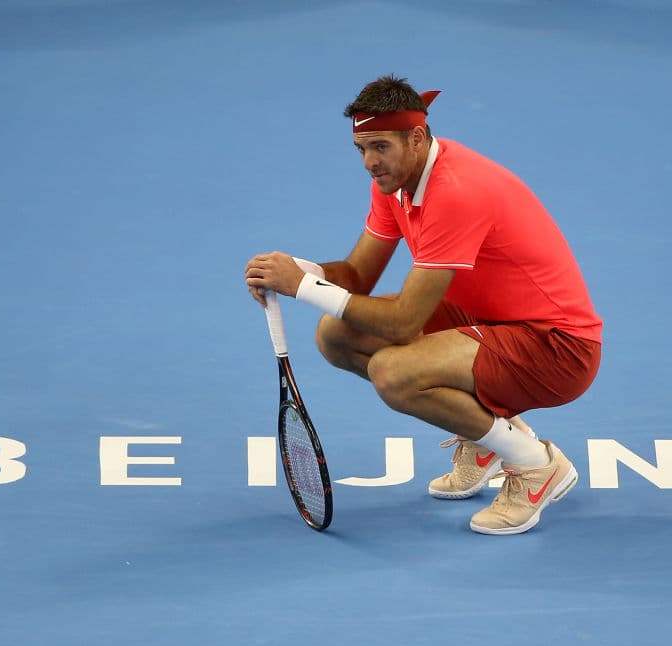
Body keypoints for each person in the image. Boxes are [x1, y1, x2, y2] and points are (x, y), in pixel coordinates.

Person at [244, 75, 602, 535]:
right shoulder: (394, 183)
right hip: (488, 319)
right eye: (361, 149)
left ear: (415, 138)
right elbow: (357, 276)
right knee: (336, 334)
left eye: (380, 147)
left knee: (394, 372)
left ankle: (536, 465)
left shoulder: (455, 191)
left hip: (557, 349)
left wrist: (303, 288)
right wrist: (292, 269)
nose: (370, 163)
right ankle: (488, 439)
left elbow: (402, 324)